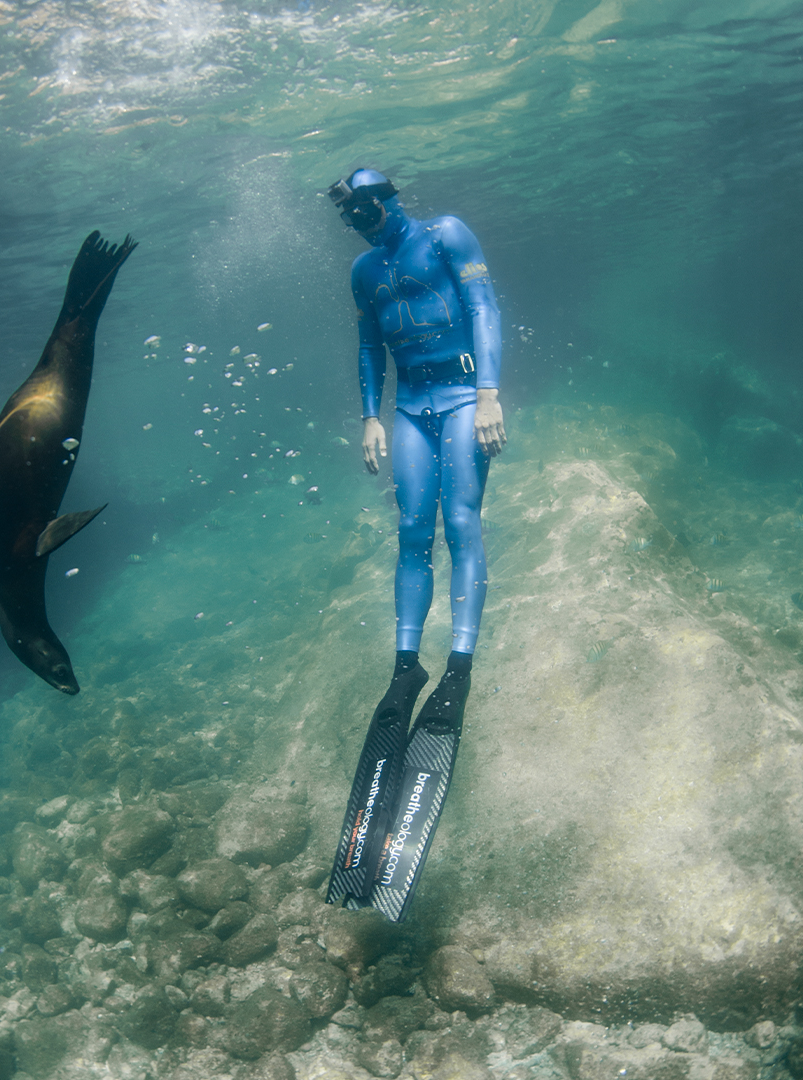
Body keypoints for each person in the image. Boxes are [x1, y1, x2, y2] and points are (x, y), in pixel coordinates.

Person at [325, 168, 506, 920]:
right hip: (410, 408)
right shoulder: (364, 270)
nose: (363, 223)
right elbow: (371, 344)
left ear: (390, 198)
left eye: (368, 208)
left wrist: (492, 392)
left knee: (460, 522)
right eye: (352, 216)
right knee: (409, 531)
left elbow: (485, 308)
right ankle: (407, 667)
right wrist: (370, 414)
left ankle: (458, 663)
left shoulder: (447, 234)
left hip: (464, 395)